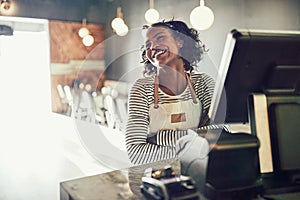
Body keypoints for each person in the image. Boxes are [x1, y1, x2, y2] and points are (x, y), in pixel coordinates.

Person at [125, 19, 216, 165]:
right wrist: (195, 146)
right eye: (148, 45)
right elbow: (135, 153)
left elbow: (219, 133)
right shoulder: (141, 89)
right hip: (158, 177)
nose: (153, 46)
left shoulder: (203, 83)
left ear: (180, 42)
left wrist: (157, 138)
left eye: (160, 38)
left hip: (198, 175)